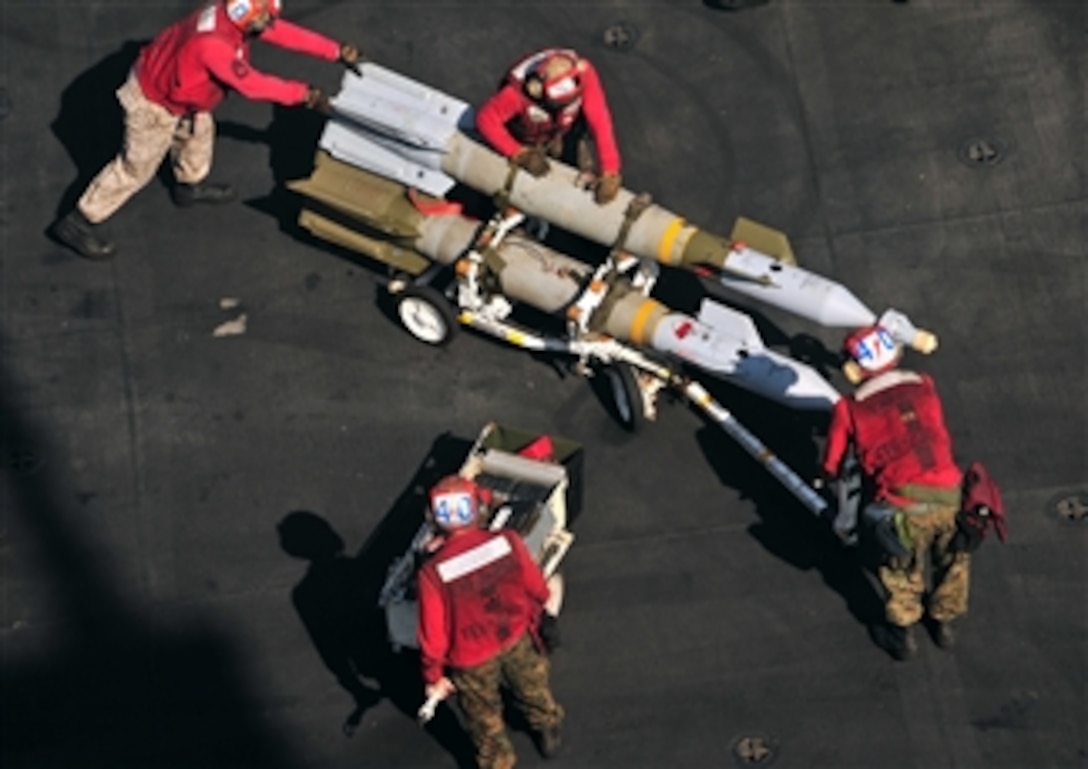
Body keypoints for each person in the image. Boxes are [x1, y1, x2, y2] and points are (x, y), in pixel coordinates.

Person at [51, 0, 361, 261]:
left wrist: (336, 51)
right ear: (248, 16)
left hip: (185, 94)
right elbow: (251, 85)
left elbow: (281, 32)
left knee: (197, 135)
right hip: (153, 104)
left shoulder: (233, 14)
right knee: (136, 168)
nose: (271, 23)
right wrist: (305, 95)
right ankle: (79, 220)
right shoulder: (212, 44)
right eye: (266, 17)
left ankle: (189, 185)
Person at [821, 324, 968, 661]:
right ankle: (944, 623)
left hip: (902, 507)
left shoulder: (850, 407)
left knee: (900, 570)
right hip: (950, 495)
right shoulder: (924, 386)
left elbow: (833, 461)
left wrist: (824, 476)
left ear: (854, 367)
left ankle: (903, 635)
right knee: (954, 561)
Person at [417, 475, 564, 769]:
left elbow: (433, 636)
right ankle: (546, 728)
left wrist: (433, 676)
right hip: (515, 634)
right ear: (479, 509)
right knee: (532, 685)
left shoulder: (432, 572)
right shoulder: (506, 541)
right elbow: (537, 587)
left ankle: (499, 761)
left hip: (470, 659)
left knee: (483, 717)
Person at [475, 48, 623, 205]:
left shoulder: (583, 72)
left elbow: (599, 118)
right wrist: (518, 153)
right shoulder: (516, 94)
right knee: (527, 185)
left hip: (562, 132)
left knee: (580, 171)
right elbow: (486, 119)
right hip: (524, 136)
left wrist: (610, 169)